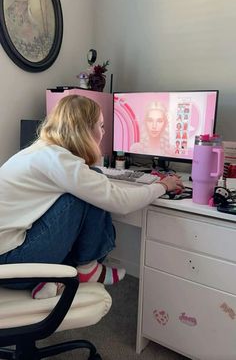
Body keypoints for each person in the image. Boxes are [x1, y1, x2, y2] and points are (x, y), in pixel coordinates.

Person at [0, 95, 183, 299]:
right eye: (101, 126)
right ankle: (87, 267)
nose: (103, 132)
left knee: (90, 185)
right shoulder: (60, 160)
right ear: (86, 130)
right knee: (89, 187)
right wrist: (163, 185)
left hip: (9, 261)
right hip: (12, 267)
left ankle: (53, 280)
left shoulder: (40, 151)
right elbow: (121, 203)